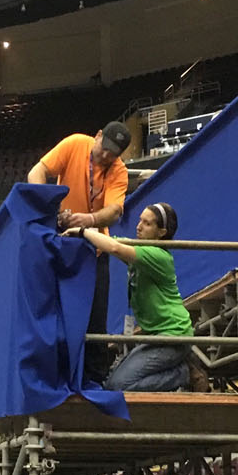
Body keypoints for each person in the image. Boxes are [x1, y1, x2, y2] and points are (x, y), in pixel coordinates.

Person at [29, 120, 133, 375]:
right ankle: (55, 374)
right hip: (61, 246)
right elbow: (37, 172)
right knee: (54, 313)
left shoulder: (119, 171)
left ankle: (95, 379)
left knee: (95, 320)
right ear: (98, 135)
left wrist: (89, 219)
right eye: (104, 147)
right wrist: (50, 208)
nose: (106, 155)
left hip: (93, 251)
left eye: (113, 154)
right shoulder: (75, 143)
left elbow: (114, 211)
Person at [67, 202, 194, 393]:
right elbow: (112, 242)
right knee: (111, 382)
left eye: (147, 223)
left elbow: (115, 248)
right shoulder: (141, 248)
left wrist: (83, 231)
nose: (139, 226)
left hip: (172, 337)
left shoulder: (158, 255)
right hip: (155, 337)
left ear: (162, 232)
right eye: (140, 220)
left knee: (118, 386)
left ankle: (183, 374)